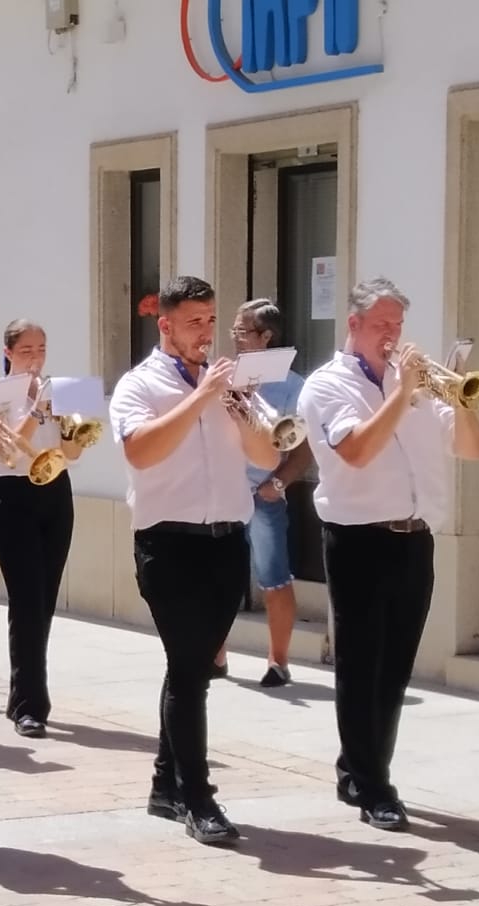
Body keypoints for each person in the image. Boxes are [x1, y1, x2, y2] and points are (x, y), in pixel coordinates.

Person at [299, 278, 479, 832]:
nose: (392, 336)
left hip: (415, 538)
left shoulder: (419, 386)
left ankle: (358, 769)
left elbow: (470, 449)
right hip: (357, 538)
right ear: (353, 325)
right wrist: (402, 394)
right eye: (382, 325)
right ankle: (374, 785)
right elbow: (355, 451)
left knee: (396, 668)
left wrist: (459, 399)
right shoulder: (326, 386)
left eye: (397, 326)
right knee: (362, 666)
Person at [109, 276, 279, 845]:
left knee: (190, 665)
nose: (205, 333)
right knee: (192, 670)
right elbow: (141, 450)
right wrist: (201, 398)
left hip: (227, 539)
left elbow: (267, 451)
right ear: (165, 325)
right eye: (194, 322)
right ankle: (198, 798)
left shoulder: (230, 384)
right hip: (168, 542)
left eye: (211, 321)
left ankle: (164, 783)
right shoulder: (140, 385)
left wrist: (239, 410)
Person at [0, 319, 84, 738]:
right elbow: (6, 446)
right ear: (8, 352)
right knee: (26, 598)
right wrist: (38, 410)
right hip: (11, 492)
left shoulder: (63, 387)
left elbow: (75, 452)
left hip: (55, 487)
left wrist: (68, 423)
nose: (35, 357)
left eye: (40, 349)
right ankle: (30, 703)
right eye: (26, 350)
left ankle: (23, 695)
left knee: (45, 598)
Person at [212, 299, 310, 687]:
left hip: (261, 492)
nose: (234, 339)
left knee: (273, 578)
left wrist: (279, 484)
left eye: (242, 332)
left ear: (266, 336)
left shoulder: (293, 386)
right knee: (218, 579)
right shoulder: (222, 375)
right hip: (222, 492)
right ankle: (216, 657)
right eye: (234, 331)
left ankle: (278, 661)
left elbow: (303, 447)